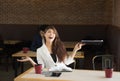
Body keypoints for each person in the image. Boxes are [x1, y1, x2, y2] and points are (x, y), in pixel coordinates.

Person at [17, 25, 85, 71]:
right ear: (44, 34)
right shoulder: (40, 50)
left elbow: (67, 62)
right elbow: (41, 68)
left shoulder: (60, 46)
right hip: (50, 75)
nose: (51, 34)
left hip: (63, 73)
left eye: (53, 33)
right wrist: (30, 60)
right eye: (49, 32)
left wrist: (75, 49)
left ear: (55, 36)